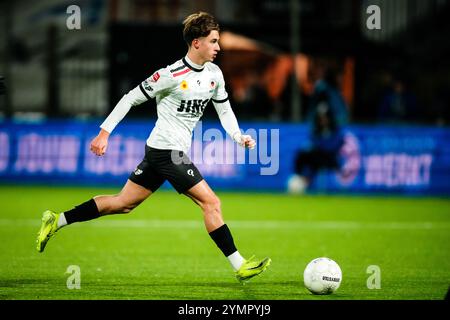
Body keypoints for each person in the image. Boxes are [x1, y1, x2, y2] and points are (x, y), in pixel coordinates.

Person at [36, 12, 271, 283]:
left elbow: (225, 109)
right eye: (213, 41)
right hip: (167, 152)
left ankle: (57, 220)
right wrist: (104, 133)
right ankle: (239, 265)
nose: (218, 47)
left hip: (162, 151)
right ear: (196, 43)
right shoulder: (169, 75)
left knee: (123, 204)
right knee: (211, 202)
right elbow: (130, 98)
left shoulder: (214, 74)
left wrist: (238, 136)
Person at [287, 95, 345, 194]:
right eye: (321, 118)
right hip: (318, 157)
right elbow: (313, 142)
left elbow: (334, 146)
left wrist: (321, 146)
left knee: (316, 157)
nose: (323, 120)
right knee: (302, 154)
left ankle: (305, 181)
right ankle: (299, 177)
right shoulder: (316, 131)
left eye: (325, 117)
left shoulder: (335, 131)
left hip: (331, 158)